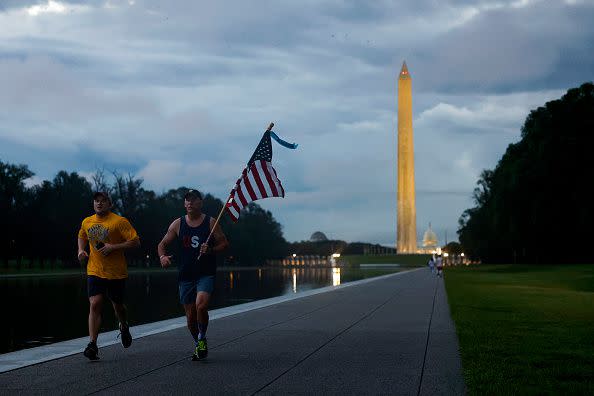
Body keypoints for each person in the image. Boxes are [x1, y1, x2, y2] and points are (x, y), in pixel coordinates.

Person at [157, 189, 229, 361]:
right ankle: (199, 342)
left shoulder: (211, 222)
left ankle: (201, 337)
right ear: (184, 204)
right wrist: (162, 257)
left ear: (200, 203)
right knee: (190, 318)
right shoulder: (178, 224)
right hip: (186, 274)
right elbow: (162, 243)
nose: (189, 203)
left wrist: (211, 249)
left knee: (201, 306)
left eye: (193, 200)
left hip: (205, 273)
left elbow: (225, 244)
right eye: (187, 200)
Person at [77, 191, 140, 360]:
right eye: (96, 201)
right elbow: (81, 235)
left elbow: (135, 241)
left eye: (103, 201)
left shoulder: (119, 221)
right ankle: (92, 344)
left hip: (116, 273)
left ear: (110, 204)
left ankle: (124, 326)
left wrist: (114, 247)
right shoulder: (87, 221)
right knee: (95, 303)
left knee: (118, 306)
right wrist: (81, 250)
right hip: (95, 270)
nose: (99, 204)